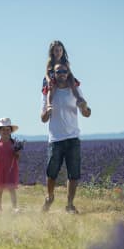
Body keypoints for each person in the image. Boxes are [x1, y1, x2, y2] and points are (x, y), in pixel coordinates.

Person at [40, 63, 92, 214]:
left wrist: (85, 108)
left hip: (73, 137)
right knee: (51, 172)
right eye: (58, 71)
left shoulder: (74, 90)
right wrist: (47, 112)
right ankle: (49, 197)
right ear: (53, 74)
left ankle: (70, 204)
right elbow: (42, 119)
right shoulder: (48, 92)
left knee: (73, 173)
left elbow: (87, 113)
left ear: (68, 73)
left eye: (64, 71)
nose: (62, 73)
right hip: (55, 139)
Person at [0, 117, 22, 214]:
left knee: (12, 188)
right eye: (3, 129)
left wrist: (17, 153)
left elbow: (18, 158)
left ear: (11, 131)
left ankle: (15, 207)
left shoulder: (14, 143)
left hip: (11, 168)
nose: (5, 131)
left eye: (8, 129)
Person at [42, 40, 86, 109]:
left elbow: (69, 72)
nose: (59, 52)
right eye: (56, 50)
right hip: (52, 78)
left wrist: (71, 79)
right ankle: (49, 104)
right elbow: (47, 73)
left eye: (60, 50)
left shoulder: (65, 62)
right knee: (51, 87)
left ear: (63, 51)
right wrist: (48, 80)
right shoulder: (50, 61)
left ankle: (79, 98)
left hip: (63, 77)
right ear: (52, 52)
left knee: (72, 83)